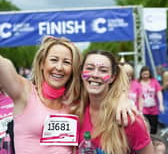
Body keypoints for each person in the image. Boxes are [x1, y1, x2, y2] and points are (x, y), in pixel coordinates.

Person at [0, 36, 137, 154]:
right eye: (53, 60)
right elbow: (3, 65)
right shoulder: (25, 92)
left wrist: (123, 96)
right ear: (42, 64)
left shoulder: (76, 99)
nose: (59, 67)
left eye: (66, 62)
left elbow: (115, 73)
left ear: (73, 69)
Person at [76, 50, 154, 154]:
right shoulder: (75, 111)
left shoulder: (128, 118)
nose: (95, 74)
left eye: (103, 70)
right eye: (89, 68)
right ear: (81, 73)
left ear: (112, 77)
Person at [138, 66, 164, 134]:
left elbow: (159, 93)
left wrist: (161, 104)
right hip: (143, 110)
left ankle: (153, 142)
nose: (145, 76)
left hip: (154, 110)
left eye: (147, 74)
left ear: (150, 74)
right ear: (141, 74)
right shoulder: (137, 83)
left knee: (154, 128)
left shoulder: (154, 82)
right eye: (144, 74)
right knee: (145, 128)